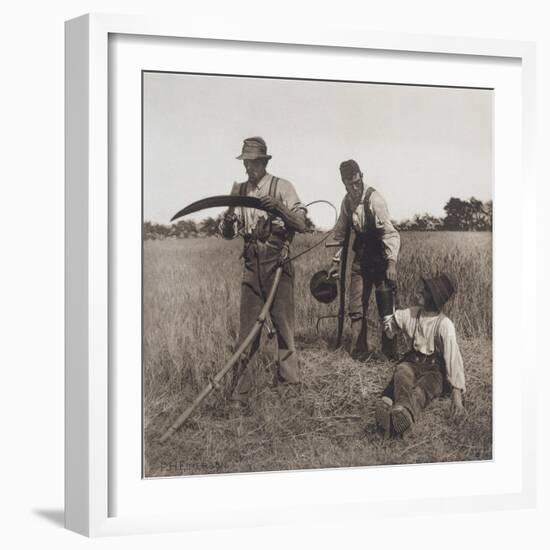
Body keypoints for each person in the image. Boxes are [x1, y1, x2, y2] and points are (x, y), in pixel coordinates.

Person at [220, 137, 307, 408]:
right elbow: (226, 233)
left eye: (253, 162)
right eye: (245, 162)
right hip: (251, 263)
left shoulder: (282, 187)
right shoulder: (240, 190)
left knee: (283, 326)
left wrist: (279, 208)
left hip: (277, 262)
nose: (248, 168)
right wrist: (230, 217)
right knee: (247, 331)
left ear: (263, 162)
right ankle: (239, 393)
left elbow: (302, 223)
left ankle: (289, 386)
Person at [375, 273, 466, 438]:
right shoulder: (413, 313)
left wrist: (457, 393)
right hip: (412, 361)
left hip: (435, 370)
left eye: (426, 290)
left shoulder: (445, 325)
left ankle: (402, 412)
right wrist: (387, 315)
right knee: (402, 374)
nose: (420, 292)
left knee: (423, 389)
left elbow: (453, 358)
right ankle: (398, 414)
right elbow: (391, 326)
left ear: (434, 298)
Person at [327, 159, 400, 361]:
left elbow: (391, 234)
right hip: (361, 259)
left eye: (357, 182)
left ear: (361, 176)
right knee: (356, 309)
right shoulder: (347, 203)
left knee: (386, 310)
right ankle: (359, 353)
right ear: (344, 183)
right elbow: (341, 235)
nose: (355, 187)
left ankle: (390, 354)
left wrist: (392, 262)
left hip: (380, 258)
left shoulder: (374, 199)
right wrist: (335, 262)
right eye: (350, 184)